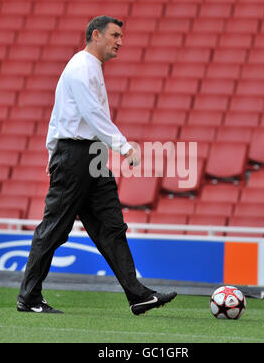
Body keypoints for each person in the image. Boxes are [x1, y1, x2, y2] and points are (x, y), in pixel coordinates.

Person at [17, 16, 177, 315]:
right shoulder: (80, 68)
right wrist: (123, 145)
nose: (120, 41)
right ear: (95, 35)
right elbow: (91, 114)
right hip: (76, 155)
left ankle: (138, 295)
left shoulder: (89, 68)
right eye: (115, 35)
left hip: (91, 155)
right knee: (54, 228)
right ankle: (28, 297)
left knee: (111, 226)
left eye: (121, 36)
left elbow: (67, 117)